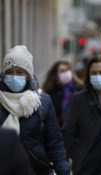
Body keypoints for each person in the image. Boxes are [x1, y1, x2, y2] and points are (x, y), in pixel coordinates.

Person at [0, 45, 70, 175]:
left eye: (20, 72)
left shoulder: (42, 101)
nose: (14, 76)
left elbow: (55, 143)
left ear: (28, 75)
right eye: (9, 72)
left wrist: (64, 171)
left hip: (37, 169)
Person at [62, 54, 101, 174]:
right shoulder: (78, 100)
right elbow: (68, 133)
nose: (98, 76)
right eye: (94, 73)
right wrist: (79, 154)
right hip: (87, 166)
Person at [42, 60, 83, 128]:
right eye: (62, 71)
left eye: (67, 70)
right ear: (56, 75)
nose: (66, 73)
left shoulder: (80, 89)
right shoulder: (50, 93)